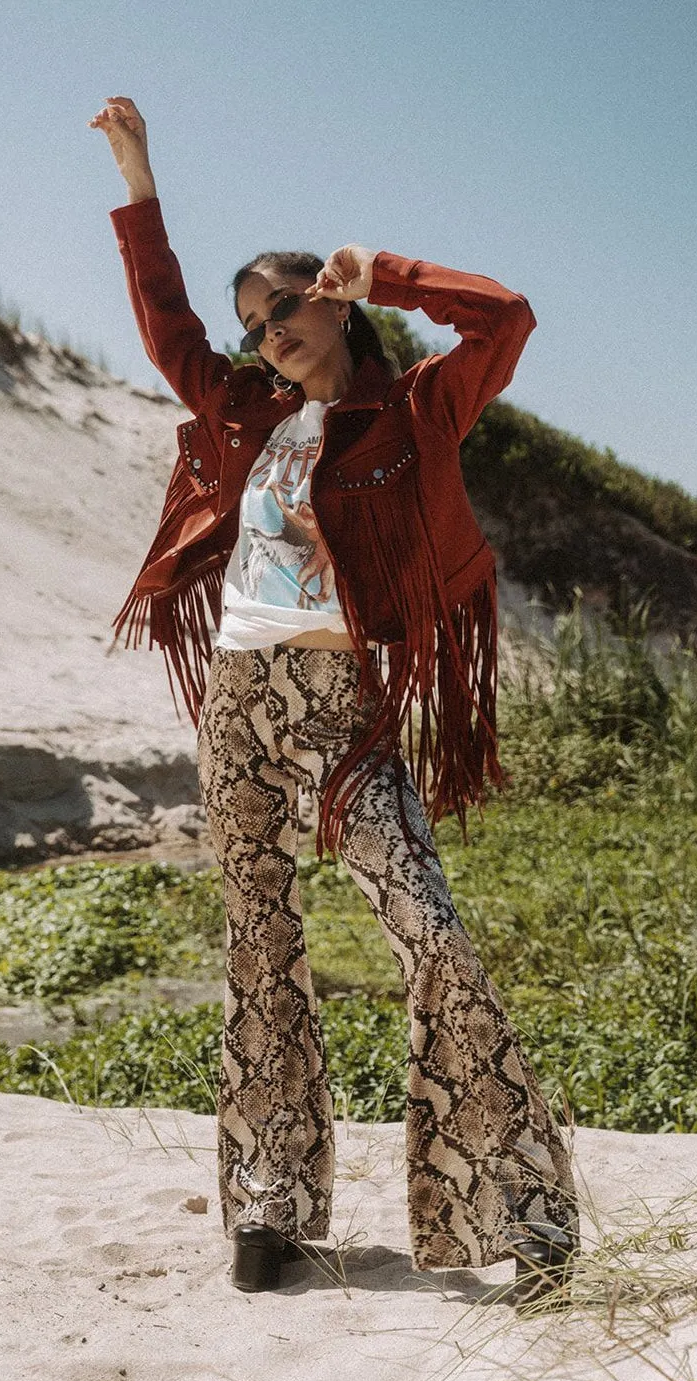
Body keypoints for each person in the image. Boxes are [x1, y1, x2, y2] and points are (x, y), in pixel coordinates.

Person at [90, 96, 577, 1305]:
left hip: (343, 704)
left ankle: (522, 1208)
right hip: (240, 698)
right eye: (255, 325)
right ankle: (269, 1212)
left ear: (333, 298)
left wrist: (396, 271)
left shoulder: (413, 411)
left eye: (286, 311)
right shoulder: (244, 408)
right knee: (258, 942)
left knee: (431, 931)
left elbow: (506, 319)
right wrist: (138, 175)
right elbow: (164, 324)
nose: (269, 339)